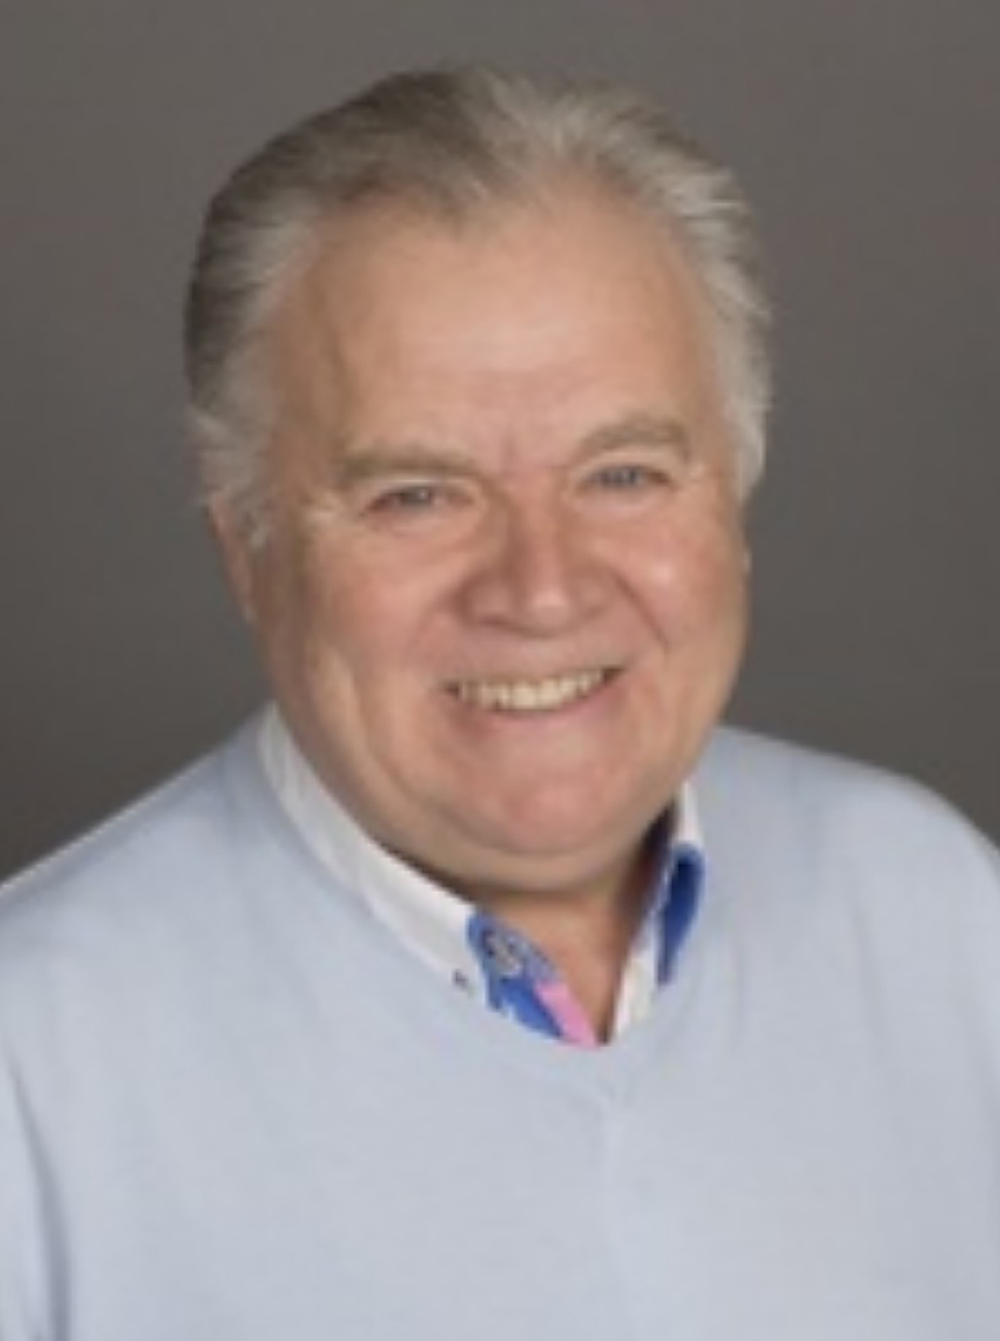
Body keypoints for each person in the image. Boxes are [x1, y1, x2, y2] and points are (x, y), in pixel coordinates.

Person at [1, 65, 998, 1341]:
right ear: (246, 549)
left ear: (733, 502)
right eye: (415, 495)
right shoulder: (31, 1066)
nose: (540, 589)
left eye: (623, 473)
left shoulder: (939, 913)